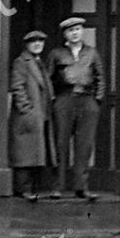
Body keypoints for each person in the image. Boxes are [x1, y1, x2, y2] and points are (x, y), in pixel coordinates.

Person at [45, 15, 105, 200]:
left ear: (82, 31)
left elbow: (100, 77)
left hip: (87, 100)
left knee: (84, 146)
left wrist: (97, 100)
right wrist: (54, 100)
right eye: (71, 30)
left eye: (77, 29)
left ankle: (81, 187)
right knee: (60, 144)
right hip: (64, 99)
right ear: (65, 34)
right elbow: (48, 79)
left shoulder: (92, 53)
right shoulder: (56, 54)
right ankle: (58, 187)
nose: (75, 33)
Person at [7, 29, 52, 201]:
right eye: (34, 42)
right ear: (27, 44)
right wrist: (27, 109)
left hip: (38, 114)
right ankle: (23, 189)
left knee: (33, 152)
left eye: (40, 41)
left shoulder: (38, 62)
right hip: (27, 116)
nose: (38, 44)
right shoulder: (22, 62)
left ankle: (31, 188)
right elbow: (17, 87)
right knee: (24, 153)